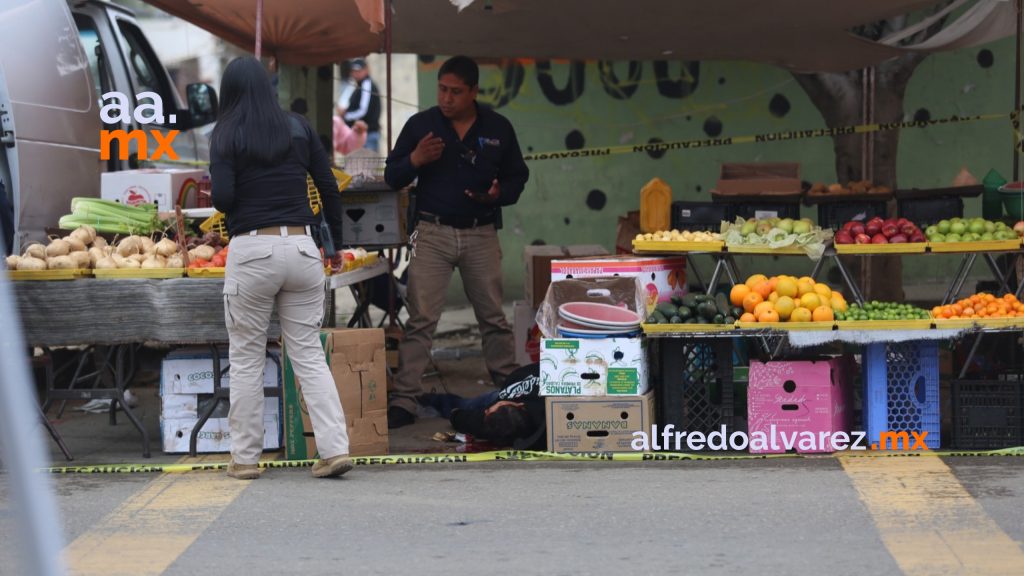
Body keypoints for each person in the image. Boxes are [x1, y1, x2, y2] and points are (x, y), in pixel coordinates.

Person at [210, 56, 352, 480]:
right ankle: (334, 449)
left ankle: (246, 460)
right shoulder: (297, 127)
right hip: (304, 248)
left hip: (253, 250)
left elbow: (222, 197)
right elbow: (328, 186)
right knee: (308, 355)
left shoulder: (226, 133)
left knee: (248, 358)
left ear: (229, 92)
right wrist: (336, 245)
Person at [384, 55, 530, 429]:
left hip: (481, 232)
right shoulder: (422, 125)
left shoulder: (498, 127)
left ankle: (510, 391)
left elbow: (517, 176)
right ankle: (405, 399)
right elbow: (392, 175)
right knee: (421, 319)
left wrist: (501, 193)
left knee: (494, 319)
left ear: (473, 92)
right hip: (431, 233)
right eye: (442, 90)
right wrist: (416, 158)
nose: (447, 98)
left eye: (456, 92)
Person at [419, 363, 545, 449]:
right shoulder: (549, 417)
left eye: (488, 411)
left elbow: (458, 417)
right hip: (537, 371)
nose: (486, 411)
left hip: (504, 390)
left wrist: (454, 414)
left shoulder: (485, 421)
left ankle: (432, 399)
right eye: (491, 409)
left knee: (463, 404)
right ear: (518, 404)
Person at [342, 58, 381, 151]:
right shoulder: (359, 85)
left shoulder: (366, 84)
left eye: (358, 71)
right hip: (363, 135)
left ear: (366, 70)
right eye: (353, 71)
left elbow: (363, 110)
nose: (355, 74)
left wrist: (346, 116)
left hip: (367, 135)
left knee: (367, 164)